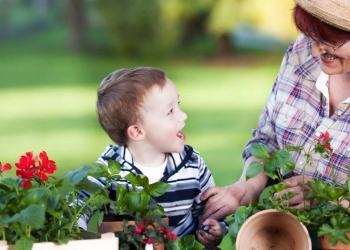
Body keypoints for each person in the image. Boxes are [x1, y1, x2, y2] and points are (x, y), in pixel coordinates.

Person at [201, 0, 350, 222]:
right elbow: (267, 137)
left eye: (329, 40)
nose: (315, 49)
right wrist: (247, 187)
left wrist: (329, 198)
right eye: (312, 35)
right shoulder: (302, 52)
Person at [78, 67, 227, 246]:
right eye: (170, 111)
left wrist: (216, 229)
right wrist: (77, 231)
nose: (183, 116)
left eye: (178, 105)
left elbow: (210, 211)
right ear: (138, 131)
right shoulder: (111, 168)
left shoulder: (192, 164)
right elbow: (80, 203)